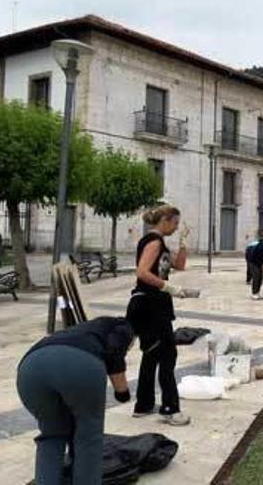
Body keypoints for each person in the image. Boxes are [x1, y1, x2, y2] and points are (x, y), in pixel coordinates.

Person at [17, 317, 135, 484]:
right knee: (88, 435)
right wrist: (122, 393)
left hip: (30, 370)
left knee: (52, 434)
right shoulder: (124, 327)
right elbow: (115, 357)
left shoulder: (82, 330)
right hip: (80, 365)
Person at [127, 204, 191, 426]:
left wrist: (183, 241)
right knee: (167, 355)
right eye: (175, 224)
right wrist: (168, 287)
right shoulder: (153, 242)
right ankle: (170, 408)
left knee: (152, 354)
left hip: (156, 304)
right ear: (165, 220)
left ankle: (143, 405)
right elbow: (142, 272)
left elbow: (180, 265)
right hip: (149, 305)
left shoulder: (161, 243)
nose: (175, 227)